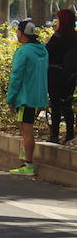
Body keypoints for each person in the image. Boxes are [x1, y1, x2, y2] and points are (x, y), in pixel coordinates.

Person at [7, 20, 49, 175]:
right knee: (26, 126)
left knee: (26, 129)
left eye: (17, 31)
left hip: (24, 98)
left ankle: (28, 165)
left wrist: (10, 98)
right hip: (38, 96)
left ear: (21, 33)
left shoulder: (23, 52)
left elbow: (16, 76)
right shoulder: (43, 50)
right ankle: (25, 157)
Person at [46, 8, 77, 144]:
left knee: (56, 105)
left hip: (55, 75)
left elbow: (48, 54)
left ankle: (54, 135)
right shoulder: (75, 37)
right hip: (71, 76)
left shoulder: (57, 37)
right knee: (67, 105)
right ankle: (70, 134)